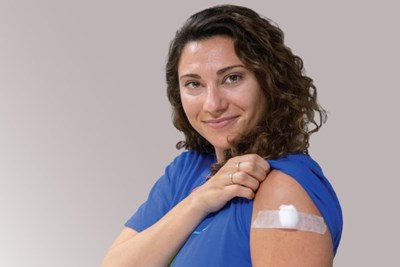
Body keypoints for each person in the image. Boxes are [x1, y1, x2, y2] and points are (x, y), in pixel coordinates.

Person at [102, 4, 343, 267]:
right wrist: (200, 200)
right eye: (194, 84)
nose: (213, 104)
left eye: (232, 78)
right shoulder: (187, 172)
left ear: (270, 81)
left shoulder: (281, 189)